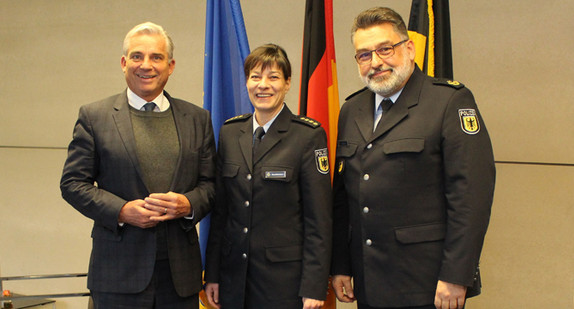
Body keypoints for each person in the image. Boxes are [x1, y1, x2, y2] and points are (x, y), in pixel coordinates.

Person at [331, 7, 495, 309]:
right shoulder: (351, 110)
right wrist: (341, 263)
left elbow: (471, 197)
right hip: (369, 283)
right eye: (364, 55)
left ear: (409, 48)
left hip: (428, 284)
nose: (376, 62)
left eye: (385, 49)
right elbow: (344, 198)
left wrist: (457, 275)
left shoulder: (448, 102)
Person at [60, 22, 216, 309]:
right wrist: (121, 211)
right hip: (117, 275)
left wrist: (188, 204)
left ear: (170, 66)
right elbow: (72, 184)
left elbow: (211, 185)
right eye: (137, 56)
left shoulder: (197, 119)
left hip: (179, 277)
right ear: (123, 63)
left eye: (156, 57)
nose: (146, 65)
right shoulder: (95, 116)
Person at [203, 44, 333, 309]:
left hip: (284, 285)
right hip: (233, 279)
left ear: (287, 83)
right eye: (255, 77)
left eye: (273, 77)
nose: (263, 85)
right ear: (247, 82)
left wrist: (314, 286)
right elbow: (221, 214)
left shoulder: (307, 136)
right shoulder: (230, 132)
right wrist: (213, 274)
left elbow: (319, 220)